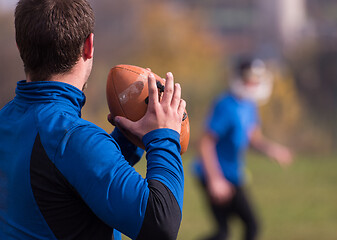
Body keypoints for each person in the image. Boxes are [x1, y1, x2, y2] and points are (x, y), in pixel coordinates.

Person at [0, 0, 186, 239]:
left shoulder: (7, 120)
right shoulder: (71, 138)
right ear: (89, 45)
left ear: (19, 46)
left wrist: (125, 142)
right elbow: (161, 222)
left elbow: (58, 185)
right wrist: (164, 137)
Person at [193, 59, 293, 240]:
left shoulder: (249, 105)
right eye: (250, 78)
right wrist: (215, 180)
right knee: (228, 231)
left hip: (233, 175)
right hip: (215, 175)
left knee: (245, 227)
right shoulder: (225, 105)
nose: (255, 82)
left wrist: (272, 150)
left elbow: (253, 138)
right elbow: (205, 143)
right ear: (238, 78)